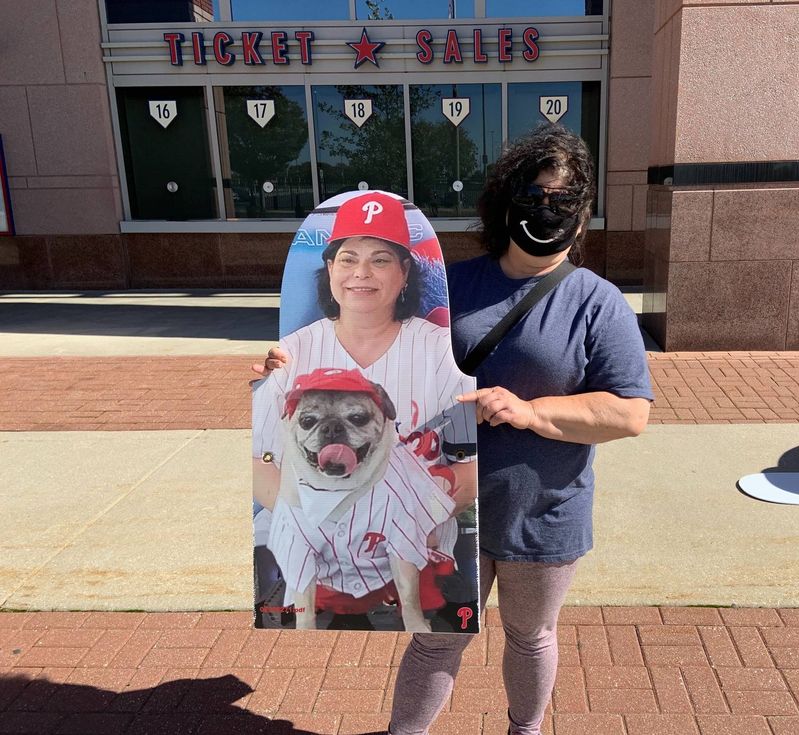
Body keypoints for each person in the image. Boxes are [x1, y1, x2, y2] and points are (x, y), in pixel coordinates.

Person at [255, 125, 653, 734]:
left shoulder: (596, 302)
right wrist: (289, 371)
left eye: (564, 199)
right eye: (533, 195)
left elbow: (629, 412)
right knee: (438, 639)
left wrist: (531, 411)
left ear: (583, 213)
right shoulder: (451, 286)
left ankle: (525, 730)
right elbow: (367, 354)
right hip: (440, 507)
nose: (546, 210)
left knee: (530, 634)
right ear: (505, 202)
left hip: (541, 508)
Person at [251, 190, 477, 631]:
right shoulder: (291, 353)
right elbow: (258, 460)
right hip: (310, 563)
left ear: (405, 272)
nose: (361, 273)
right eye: (348, 258)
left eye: (380, 260)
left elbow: (471, 461)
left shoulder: (440, 350)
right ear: (330, 269)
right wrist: (312, 523)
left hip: (418, 553)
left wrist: (420, 515)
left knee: (421, 657)